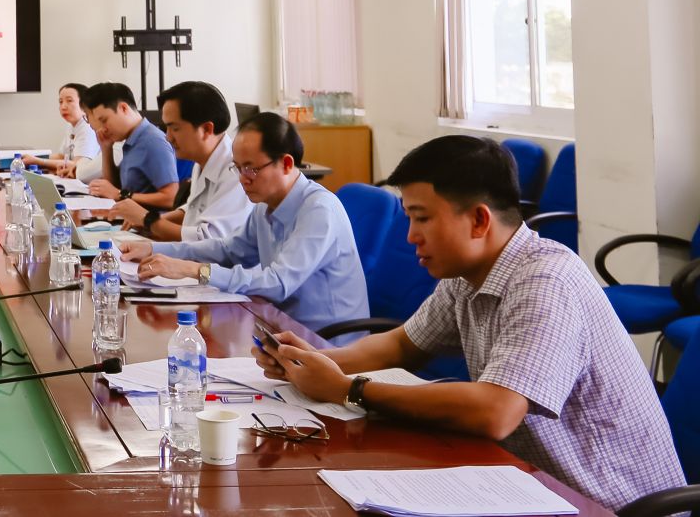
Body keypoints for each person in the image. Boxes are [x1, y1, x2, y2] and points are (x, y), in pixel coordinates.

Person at [252, 134, 685, 513]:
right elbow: (401, 345)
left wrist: (349, 389)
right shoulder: (466, 276)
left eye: (422, 218)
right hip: (532, 486)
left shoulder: (545, 280)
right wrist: (313, 361)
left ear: (479, 220)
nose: (411, 236)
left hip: (607, 505)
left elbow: (496, 412)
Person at [119, 113, 368, 334]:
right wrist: (153, 249)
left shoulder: (318, 210)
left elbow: (278, 283)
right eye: (237, 168)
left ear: (286, 164)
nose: (242, 179)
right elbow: (227, 251)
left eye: (251, 169)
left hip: (328, 343)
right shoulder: (264, 206)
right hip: (280, 328)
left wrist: (195, 270)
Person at [109, 81, 251, 242]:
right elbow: (193, 209)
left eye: (175, 128)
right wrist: (153, 220)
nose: (168, 137)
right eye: (167, 128)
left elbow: (209, 241)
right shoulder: (203, 160)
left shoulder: (236, 171)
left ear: (206, 129)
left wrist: (148, 220)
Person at [82, 82, 178, 210]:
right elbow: (115, 186)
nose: (102, 129)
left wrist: (120, 194)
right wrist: (106, 149)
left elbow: (171, 198)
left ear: (123, 108)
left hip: (148, 221)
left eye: (104, 120)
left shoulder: (152, 141)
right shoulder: (132, 140)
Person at [26, 82, 102, 182]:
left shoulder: (88, 128)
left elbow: (77, 165)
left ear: (84, 104)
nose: (63, 107)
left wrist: (37, 161)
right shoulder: (71, 125)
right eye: (61, 102)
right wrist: (33, 157)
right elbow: (61, 156)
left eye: (69, 101)